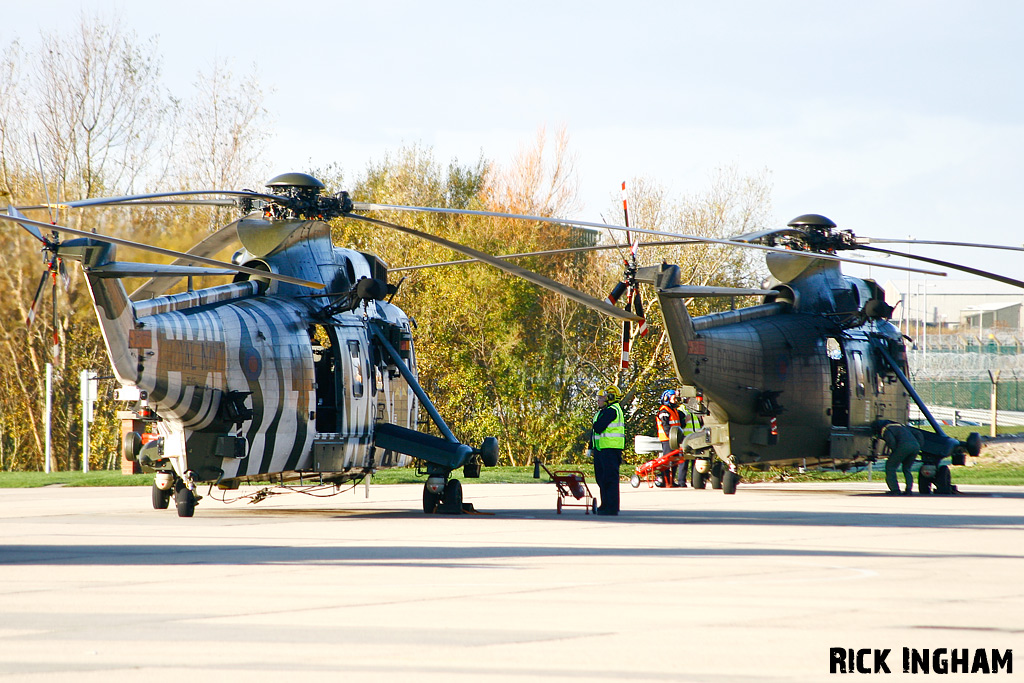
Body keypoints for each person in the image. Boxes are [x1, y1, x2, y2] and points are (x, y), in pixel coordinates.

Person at [591, 384, 625, 515]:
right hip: (603, 448)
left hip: (611, 448)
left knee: (610, 479)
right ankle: (605, 504)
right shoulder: (607, 410)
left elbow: (598, 427)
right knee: (602, 478)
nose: (602, 400)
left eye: (604, 397)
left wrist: (595, 424)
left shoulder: (612, 410)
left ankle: (611, 507)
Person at [873, 420, 924, 495]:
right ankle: (909, 489)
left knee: (890, 467)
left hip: (903, 446)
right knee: (907, 469)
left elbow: (891, 442)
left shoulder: (887, 429)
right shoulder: (902, 426)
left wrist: (894, 453)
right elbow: (919, 434)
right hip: (915, 446)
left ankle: (895, 490)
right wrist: (919, 446)